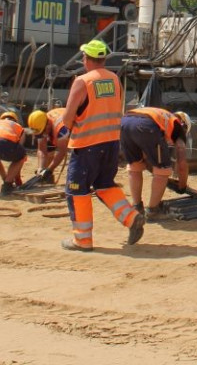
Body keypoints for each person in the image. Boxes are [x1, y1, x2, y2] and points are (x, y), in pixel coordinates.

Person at [60, 39, 144, 251]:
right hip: (111, 143)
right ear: (103, 59)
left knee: (76, 191)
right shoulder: (115, 79)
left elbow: (68, 116)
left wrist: (64, 130)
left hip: (87, 144)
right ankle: (132, 218)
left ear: (87, 59)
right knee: (104, 185)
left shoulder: (83, 81)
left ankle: (83, 240)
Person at [121, 106, 191, 221]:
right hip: (146, 125)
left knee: (135, 166)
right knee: (163, 170)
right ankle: (153, 211)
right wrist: (182, 186)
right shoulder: (177, 126)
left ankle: (137, 207)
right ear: (184, 125)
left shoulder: (162, 117)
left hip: (125, 122)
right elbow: (182, 163)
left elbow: (146, 159)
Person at [27, 107, 70, 183]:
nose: (43, 135)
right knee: (49, 151)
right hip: (56, 129)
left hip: (79, 130)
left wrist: (49, 170)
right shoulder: (41, 122)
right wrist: (41, 168)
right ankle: (47, 179)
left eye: (43, 132)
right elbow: (41, 149)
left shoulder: (61, 128)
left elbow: (62, 151)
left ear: (47, 125)